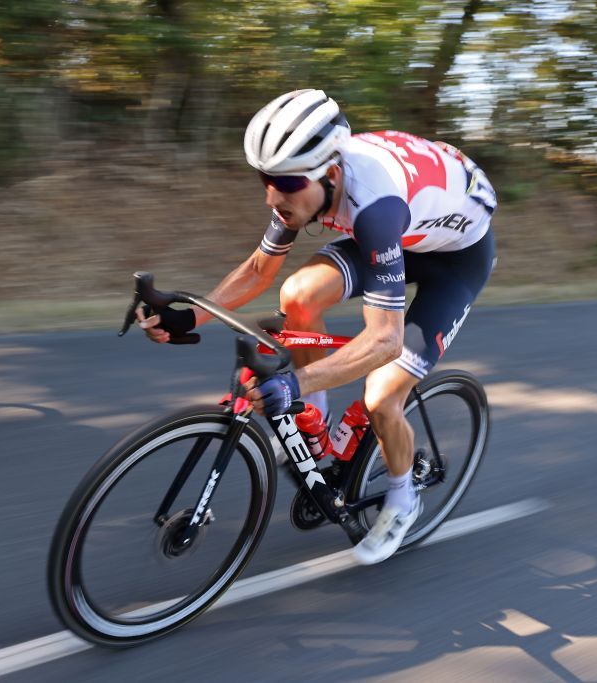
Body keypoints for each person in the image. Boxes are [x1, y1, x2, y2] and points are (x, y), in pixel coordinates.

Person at [137, 88, 497, 565]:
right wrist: (188, 314)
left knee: (382, 396)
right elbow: (259, 271)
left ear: (329, 173)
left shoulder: (373, 204)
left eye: (284, 184)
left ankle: (402, 499)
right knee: (298, 296)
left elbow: (385, 339)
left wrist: (295, 381)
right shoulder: (304, 182)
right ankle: (315, 429)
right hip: (407, 230)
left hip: (454, 259)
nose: (272, 194)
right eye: (265, 179)